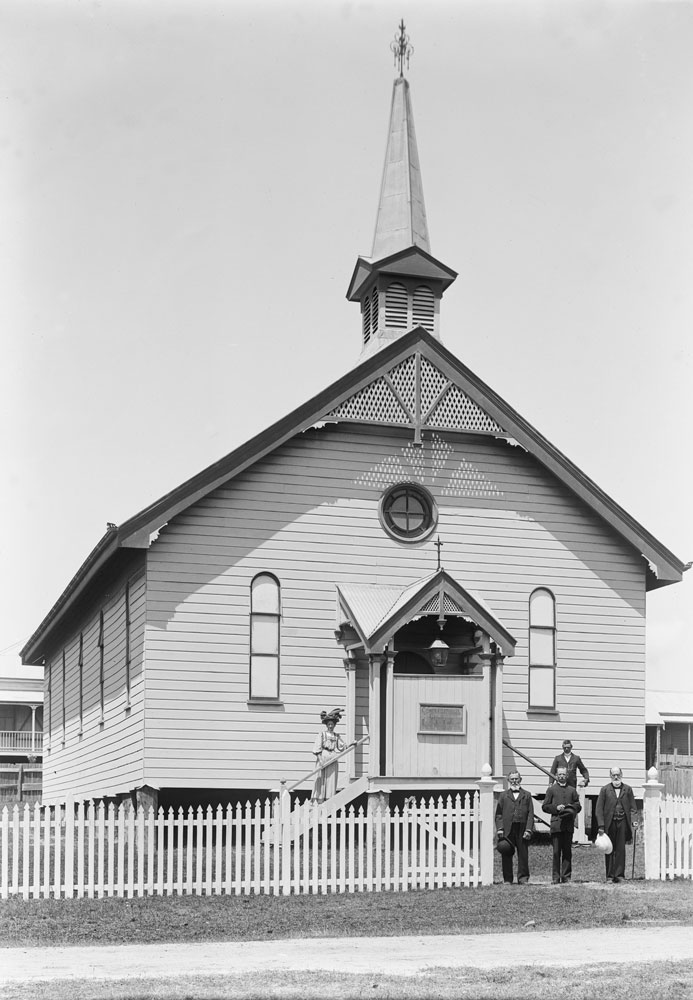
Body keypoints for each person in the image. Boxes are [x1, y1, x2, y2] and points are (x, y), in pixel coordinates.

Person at [595, 766, 638, 883]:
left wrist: (634, 821)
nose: (616, 777)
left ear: (621, 774)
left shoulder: (627, 789)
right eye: (613, 775)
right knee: (608, 848)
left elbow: (633, 808)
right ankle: (609, 876)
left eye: (618, 774)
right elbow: (599, 809)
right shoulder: (605, 790)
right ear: (610, 776)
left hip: (622, 822)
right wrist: (601, 825)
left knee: (620, 849)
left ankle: (619, 875)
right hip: (609, 824)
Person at [542, 766, 581, 883]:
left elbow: (578, 806)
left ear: (567, 776)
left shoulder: (572, 790)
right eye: (559, 775)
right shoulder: (551, 790)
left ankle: (566, 876)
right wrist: (556, 808)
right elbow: (545, 806)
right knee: (556, 852)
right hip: (556, 825)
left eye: (563, 774)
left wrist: (570, 808)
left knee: (567, 852)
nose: (561, 776)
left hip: (568, 825)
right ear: (556, 776)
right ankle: (555, 877)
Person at [495, 770, 534, 884]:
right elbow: (498, 814)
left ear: (520, 780)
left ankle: (523, 878)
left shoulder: (527, 795)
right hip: (508, 828)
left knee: (523, 854)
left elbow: (530, 813)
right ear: (508, 780)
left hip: (522, 827)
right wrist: (500, 828)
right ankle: (507, 879)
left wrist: (528, 829)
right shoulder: (504, 795)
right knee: (506, 852)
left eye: (516, 779)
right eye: (512, 779)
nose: (514, 781)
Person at [311, 709, 348, 804]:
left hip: (332, 759)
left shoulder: (336, 736)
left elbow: (342, 746)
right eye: (329, 724)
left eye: (332, 724)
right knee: (321, 778)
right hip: (323, 758)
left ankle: (329, 799)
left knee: (330, 780)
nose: (330, 726)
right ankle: (319, 799)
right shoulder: (322, 734)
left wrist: (351, 744)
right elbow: (317, 748)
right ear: (326, 725)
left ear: (334, 725)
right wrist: (320, 760)